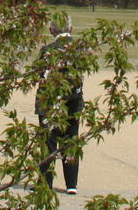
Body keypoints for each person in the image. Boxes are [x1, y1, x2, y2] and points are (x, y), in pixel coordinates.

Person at [35, 20, 83, 194]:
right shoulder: (79, 49)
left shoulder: (48, 50)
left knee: (49, 142)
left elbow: (40, 74)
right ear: (71, 28)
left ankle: (45, 183)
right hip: (73, 102)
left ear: (51, 30)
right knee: (71, 140)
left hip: (50, 103)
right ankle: (71, 184)